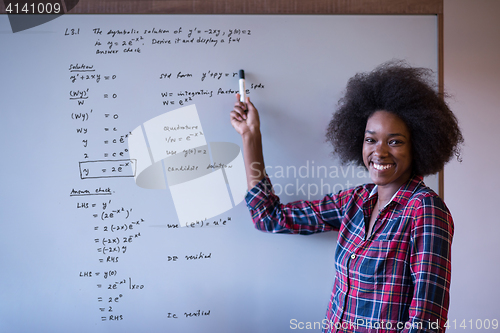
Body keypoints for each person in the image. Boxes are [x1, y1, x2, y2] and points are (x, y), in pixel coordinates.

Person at [230, 60, 463, 333]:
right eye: (370, 139)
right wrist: (250, 136)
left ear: (419, 144)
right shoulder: (355, 201)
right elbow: (270, 218)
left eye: (395, 141)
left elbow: (426, 324)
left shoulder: (425, 211)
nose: (380, 152)